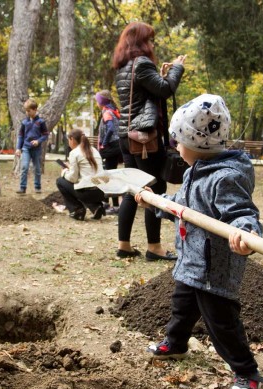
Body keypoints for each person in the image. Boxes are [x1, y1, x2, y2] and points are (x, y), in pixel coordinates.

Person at [134, 94, 263, 389]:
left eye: (179, 142)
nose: (177, 148)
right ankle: (177, 344)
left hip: (214, 266)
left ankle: (247, 371)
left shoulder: (225, 177)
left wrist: (246, 233)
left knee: (221, 322)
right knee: (182, 306)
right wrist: (155, 202)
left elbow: (242, 213)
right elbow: (182, 206)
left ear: (197, 144)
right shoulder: (198, 169)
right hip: (191, 259)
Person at [112, 21, 186, 261]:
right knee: (155, 189)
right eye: (150, 39)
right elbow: (165, 90)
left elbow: (147, 93)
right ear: (141, 42)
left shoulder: (123, 67)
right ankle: (154, 247)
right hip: (144, 138)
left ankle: (124, 245)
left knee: (131, 190)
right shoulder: (142, 64)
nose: (152, 44)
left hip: (126, 135)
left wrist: (160, 75)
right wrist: (176, 68)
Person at [56, 128, 106, 220]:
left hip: (87, 193)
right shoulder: (94, 150)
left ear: (72, 139)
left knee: (60, 181)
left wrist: (64, 172)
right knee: (85, 183)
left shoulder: (74, 153)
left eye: (68, 140)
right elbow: (87, 171)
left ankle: (77, 210)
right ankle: (96, 207)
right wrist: (71, 168)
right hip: (101, 192)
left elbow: (73, 178)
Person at [95, 89, 121, 214]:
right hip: (117, 146)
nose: (96, 103)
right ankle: (107, 202)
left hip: (110, 147)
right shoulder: (114, 111)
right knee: (111, 174)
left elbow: (110, 129)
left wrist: (104, 144)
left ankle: (114, 206)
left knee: (109, 175)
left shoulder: (107, 113)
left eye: (97, 101)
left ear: (102, 102)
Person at [16, 98, 49, 194]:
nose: (27, 113)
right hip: (25, 148)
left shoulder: (41, 122)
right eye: (26, 111)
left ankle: (37, 187)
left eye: (29, 111)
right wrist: (18, 148)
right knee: (24, 167)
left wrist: (38, 141)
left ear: (35, 110)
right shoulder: (24, 122)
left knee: (37, 168)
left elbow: (45, 134)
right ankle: (22, 187)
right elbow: (21, 135)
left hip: (36, 149)